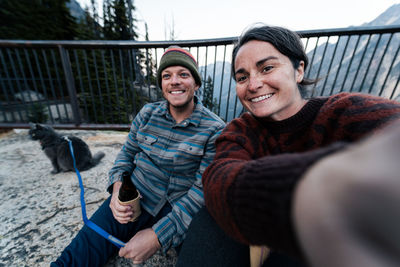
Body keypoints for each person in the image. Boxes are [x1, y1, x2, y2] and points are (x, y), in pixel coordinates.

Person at [177, 24, 400, 267]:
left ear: (299, 70)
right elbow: (218, 180)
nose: (253, 84)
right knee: (210, 221)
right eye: (242, 77)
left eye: (267, 68)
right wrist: (315, 188)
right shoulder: (240, 130)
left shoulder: (346, 112)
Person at [51, 46, 225, 266]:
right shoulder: (147, 114)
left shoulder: (215, 129)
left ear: (196, 83)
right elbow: (125, 156)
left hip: (178, 207)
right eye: (166, 76)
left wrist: (157, 236)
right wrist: (116, 191)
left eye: (184, 74)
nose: (175, 81)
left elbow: (202, 191)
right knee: (77, 254)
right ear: (161, 84)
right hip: (136, 196)